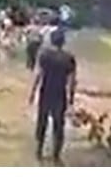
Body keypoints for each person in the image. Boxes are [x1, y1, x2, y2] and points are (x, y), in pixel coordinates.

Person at [29, 28, 78, 164]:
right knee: (58, 125)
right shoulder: (69, 58)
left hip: (45, 92)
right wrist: (71, 99)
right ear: (63, 42)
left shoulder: (44, 55)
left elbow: (38, 75)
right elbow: (72, 81)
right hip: (59, 94)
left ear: (51, 40)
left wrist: (32, 93)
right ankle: (56, 156)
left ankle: (39, 151)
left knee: (42, 122)